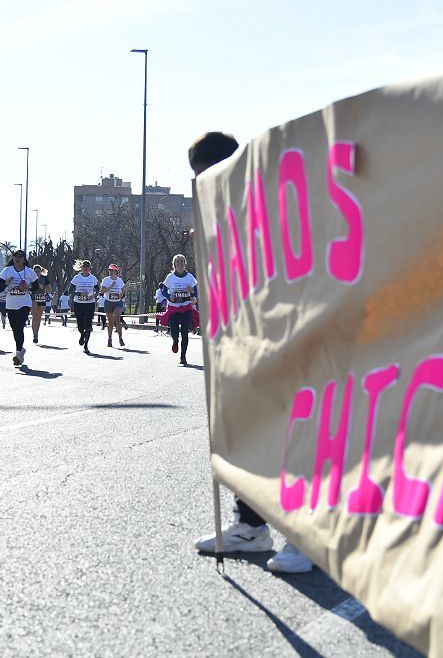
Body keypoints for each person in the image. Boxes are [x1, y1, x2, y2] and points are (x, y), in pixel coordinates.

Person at [188, 130, 312, 574]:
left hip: (286, 332)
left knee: (291, 433)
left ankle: (306, 536)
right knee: (245, 432)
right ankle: (252, 526)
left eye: (205, 175)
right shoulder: (218, 213)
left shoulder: (270, 200)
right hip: (241, 336)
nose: (201, 184)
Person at [0, 250, 38, 366]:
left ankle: (18, 352)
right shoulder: (7, 271)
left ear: (24, 259)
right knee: (15, 329)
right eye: (15, 256)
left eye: (20, 257)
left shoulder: (29, 272)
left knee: (20, 326)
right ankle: (20, 350)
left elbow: (35, 287)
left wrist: (27, 288)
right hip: (11, 304)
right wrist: (6, 283)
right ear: (13, 259)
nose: (17, 259)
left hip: (24, 303)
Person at [158, 255, 199, 366]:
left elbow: (195, 293)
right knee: (174, 331)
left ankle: (183, 356)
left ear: (185, 263)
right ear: (174, 264)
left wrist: (191, 294)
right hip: (173, 307)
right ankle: (175, 341)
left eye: (182, 261)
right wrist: (168, 297)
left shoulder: (190, 277)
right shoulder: (170, 277)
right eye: (177, 261)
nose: (180, 263)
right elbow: (163, 291)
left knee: (185, 332)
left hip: (186, 307)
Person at [69, 259, 99, 354]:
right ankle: (82, 334)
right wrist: (79, 293)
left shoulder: (93, 278)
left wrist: (93, 294)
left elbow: (98, 290)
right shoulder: (76, 278)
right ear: (81, 268)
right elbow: (70, 290)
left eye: (87, 267)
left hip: (90, 303)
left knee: (88, 323)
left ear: (90, 268)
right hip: (78, 303)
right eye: (84, 267)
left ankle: (86, 345)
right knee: (80, 323)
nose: (86, 268)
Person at [100, 264, 126, 348]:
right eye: (110, 270)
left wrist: (121, 295)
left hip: (117, 302)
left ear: (116, 271)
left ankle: (120, 338)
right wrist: (110, 287)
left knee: (117, 319)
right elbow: (102, 291)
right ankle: (110, 338)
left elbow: (123, 292)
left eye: (112, 270)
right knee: (110, 322)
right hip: (108, 302)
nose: (110, 272)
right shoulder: (106, 280)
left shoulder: (120, 280)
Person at [29, 265, 52, 344]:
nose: (37, 273)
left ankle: (36, 333)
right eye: (35, 271)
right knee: (34, 316)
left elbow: (49, 289)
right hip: (33, 297)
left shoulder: (44, 278)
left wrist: (43, 287)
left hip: (41, 297)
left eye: (38, 271)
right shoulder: (31, 278)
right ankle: (34, 334)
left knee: (38, 317)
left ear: (41, 272)